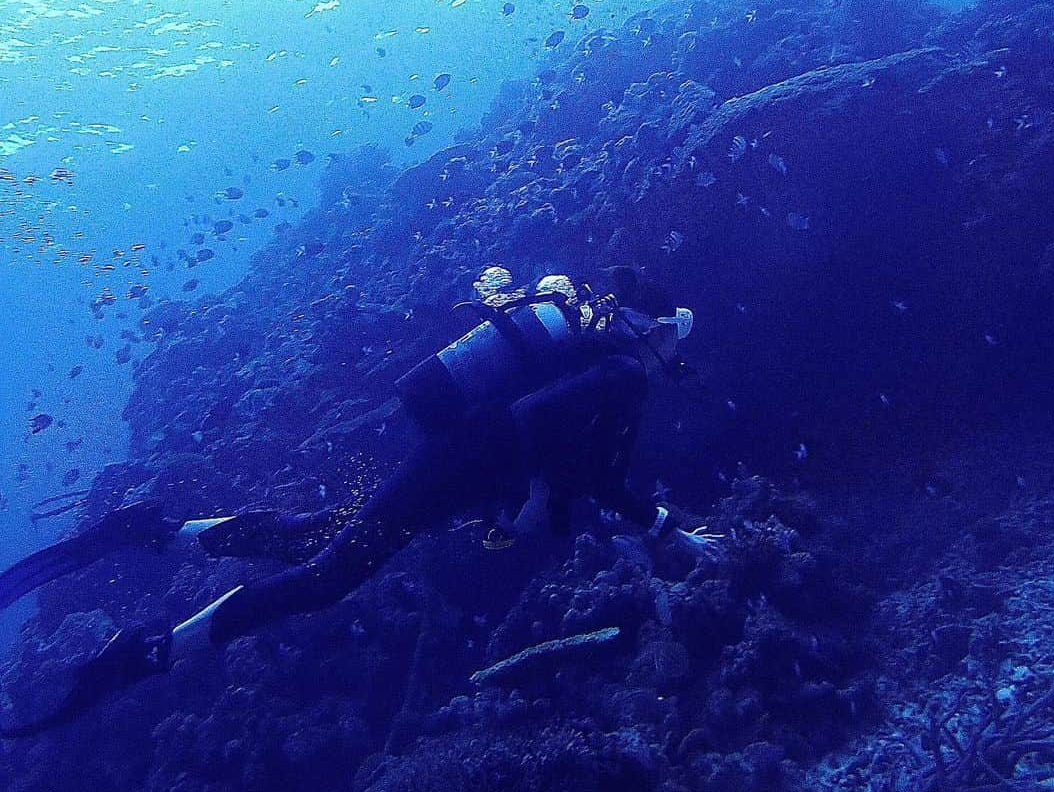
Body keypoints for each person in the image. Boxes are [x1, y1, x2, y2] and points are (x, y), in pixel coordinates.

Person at [0, 267, 719, 737]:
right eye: (671, 335)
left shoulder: (597, 356)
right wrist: (544, 496)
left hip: (452, 461)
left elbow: (570, 450)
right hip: (454, 470)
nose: (670, 354)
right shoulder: (622, 373)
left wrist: (637, 520)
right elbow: (538, 431)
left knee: (319, 538)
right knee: (325, 579)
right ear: (648, 328)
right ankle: (153, 651)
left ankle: (160, 530)